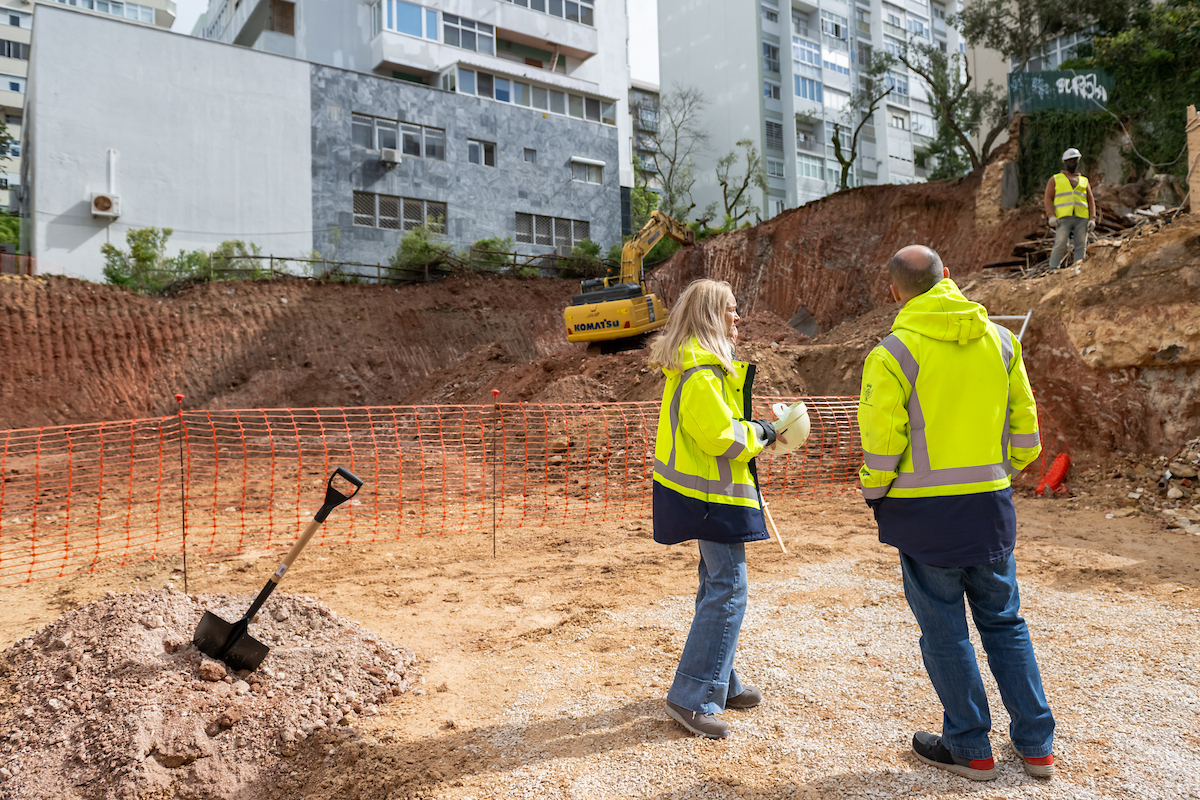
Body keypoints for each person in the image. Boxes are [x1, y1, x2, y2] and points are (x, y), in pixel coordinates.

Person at [857, 246, 1056, 781]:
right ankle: (1036, 746)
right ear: (950, 276)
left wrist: (875, 493)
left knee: (945, 632)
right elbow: (1028, 437)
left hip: (924, 517)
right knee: (1005, 622)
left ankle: (971, 747)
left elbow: (880, 446)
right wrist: (998, 471)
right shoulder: (1002, 341)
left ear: (894, 291)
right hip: (989, 508)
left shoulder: (892, 354)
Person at [648, 278, 784, 739]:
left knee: (717, 586)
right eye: (730, 309)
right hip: (711, 498)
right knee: (727, 589)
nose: (737, 316)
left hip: (709, 496)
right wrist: (763, 433)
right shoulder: (701, 372)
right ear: (711, 316)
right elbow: (720, 437)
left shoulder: (701, 368)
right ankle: (693, 697)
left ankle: (720, 682)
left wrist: (757, 429)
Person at [1044, 147, 1097, 271]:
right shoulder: (1055, 179)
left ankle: (1077, 269)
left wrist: (1092, 218)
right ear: (1065, 162)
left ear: (1078, 161)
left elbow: (1090, 200)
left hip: (1081, 218)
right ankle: (1053, 269)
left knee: (1081, 246)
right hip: (1063, 217)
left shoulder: (1084, 180)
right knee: (1060, 244)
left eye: (1075, 160)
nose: (1073, 163)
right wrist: (1051, 215)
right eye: (1070, 160)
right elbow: (1048, 198)